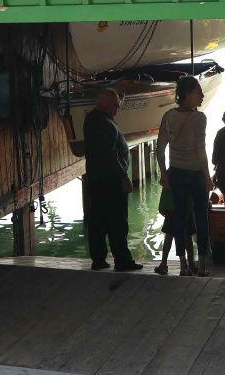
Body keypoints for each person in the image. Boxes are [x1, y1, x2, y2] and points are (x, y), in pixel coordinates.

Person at [156, 76, 213, 277]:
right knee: (201, 219)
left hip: (176, 174)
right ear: (187, 94)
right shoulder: (199, 118)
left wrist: (164, 173)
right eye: (198, 92)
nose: (202, 95)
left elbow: (160, 148)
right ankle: (202, 267)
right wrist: (207, 177)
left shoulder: (168, 116)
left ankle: (183, 266)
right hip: (196, 175)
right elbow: (200, 150)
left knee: (179, 219)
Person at [82, 88, 142, 272]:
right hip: (111, 180)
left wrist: (119, 99)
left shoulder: (95, 119)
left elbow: (107, 153)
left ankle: (98, 259)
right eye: (115, 105)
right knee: (117, 222)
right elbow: (109, 155)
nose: (118, 108)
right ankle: (122, 260)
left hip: (98, 179)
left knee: (98, 220)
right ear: (103, 104)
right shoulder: (103, 123)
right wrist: (124, 176)